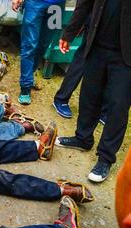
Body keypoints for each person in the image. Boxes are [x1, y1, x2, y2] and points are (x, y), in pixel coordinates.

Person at [56, 0, 131, 183]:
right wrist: (69, 33)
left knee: (117, 106)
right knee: (90, 96)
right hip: (96, 45)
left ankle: (105, 158)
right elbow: (85, 3)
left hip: (126, 56)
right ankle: (83, 138)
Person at [12, 0, 65, 105]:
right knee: (29, 45)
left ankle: (30, 76)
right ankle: (25, 87)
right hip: (34, 3)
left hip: (57, 6)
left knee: (44, 45)